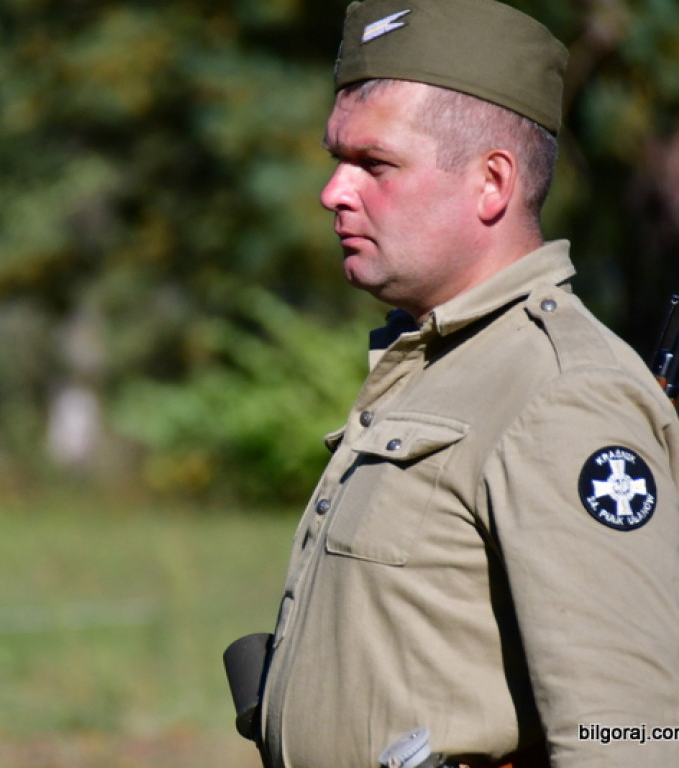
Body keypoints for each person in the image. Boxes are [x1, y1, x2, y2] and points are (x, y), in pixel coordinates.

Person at [232, 1, 679, 766]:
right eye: (338, 159)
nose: (333, 192)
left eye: (374, 164)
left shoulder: (561, 393)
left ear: (491, 182)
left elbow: (632, 736)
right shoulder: (441, 363)